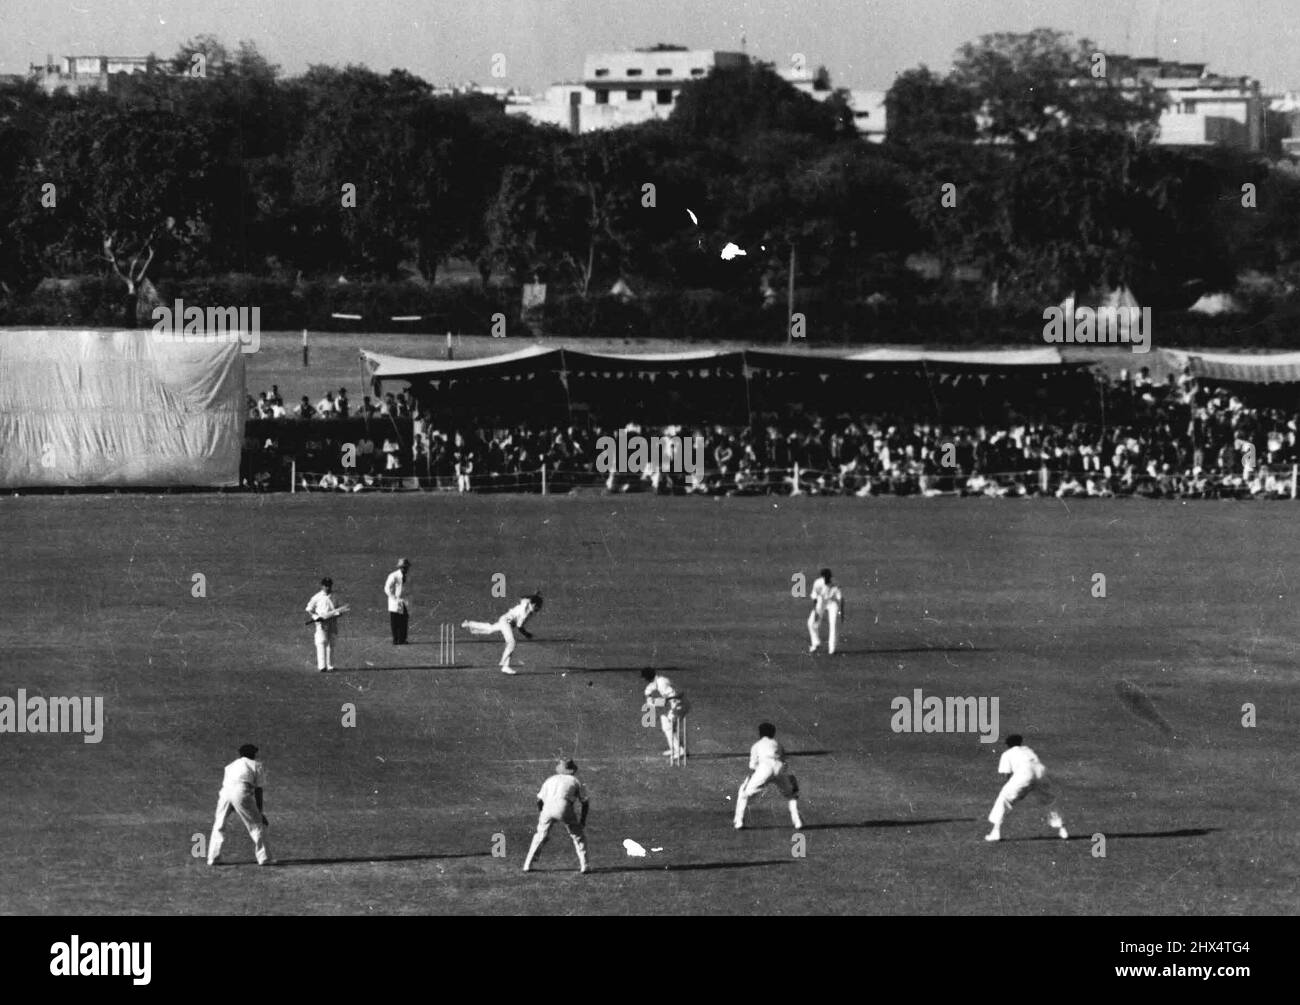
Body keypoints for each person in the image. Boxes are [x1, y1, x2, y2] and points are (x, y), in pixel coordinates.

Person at [985, 734, 1068, 842]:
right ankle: (1062, 830)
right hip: (1041, 773)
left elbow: (1006, 775)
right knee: (1049, 801)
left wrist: (1016, 789)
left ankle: (995, 832)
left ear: (1008, 745)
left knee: (1003, 798)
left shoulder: (1007, 753)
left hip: (1024, 774)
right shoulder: (1028, 750)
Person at [207, 743, 272, 866]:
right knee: (257, 824)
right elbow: (258, 789)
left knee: (219, 824)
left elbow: (227, 784)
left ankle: (212, 858)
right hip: (241, 791)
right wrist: (260, 812)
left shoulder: (229, 766)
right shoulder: (256, 765)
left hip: (225, 793)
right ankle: (265, 858)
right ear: (253, 754)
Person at [522, 759, 589, 874]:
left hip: (548, 807)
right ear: (572, 770)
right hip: (564, 807)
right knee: (578, 836)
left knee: (540, 836)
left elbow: (539, 800)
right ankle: (584, 866)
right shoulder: (575, 780)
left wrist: (542, 814)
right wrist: (582, 820)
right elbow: (585, 802)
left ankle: (527, 864)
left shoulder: (550, 780)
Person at [734, 722, 803, 830]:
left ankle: (739, 822)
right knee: (791, 795)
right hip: (779, 768)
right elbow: (784, 761)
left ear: (760, 733)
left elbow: (752, 766)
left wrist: (754, 777)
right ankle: (798, 821)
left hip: (764, 769)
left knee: (744, 794)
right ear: (773, 733)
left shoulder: (756, 745)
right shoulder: (777, 744)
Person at [460, 594, 541, 674]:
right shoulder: (525, 613)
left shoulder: (526, 602)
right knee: (511, 643)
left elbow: (522, 597)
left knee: (490, 629)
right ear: (533, 604)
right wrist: (527, 634)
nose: (539, 609)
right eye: (538, 606)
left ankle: (468, 624)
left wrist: (534, 596)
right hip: (506, 622)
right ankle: (505, 666)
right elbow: (519, 627)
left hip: (504, 619)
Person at [641, 668, 689, 760]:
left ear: (647, 677)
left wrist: (656, 702)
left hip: (680, 705)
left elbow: (674, 696)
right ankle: (675, 749)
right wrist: (649, 697)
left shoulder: (661, 683)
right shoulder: (658, 681)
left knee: (668, 727)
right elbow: (648, 690)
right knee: (666, 725)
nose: (644, 680)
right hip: (676, 704)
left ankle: (680, 751)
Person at [305, 577, 344, 671]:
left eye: (329, 585)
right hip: (321, 623)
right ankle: (322, 666)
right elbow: (309, 609)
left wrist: (337, 614)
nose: (327, 587)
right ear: (322, 586)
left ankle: (330, 665)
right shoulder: (316, 597)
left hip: (332, 622)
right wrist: (316, 617)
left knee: (332, 643)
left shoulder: (335, 596)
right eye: (325, 585)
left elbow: (341, 609)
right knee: (321, 642)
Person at [807, 568, 844, 655]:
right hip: (821, 602)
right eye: (826, 577)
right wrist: (815, 610)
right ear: (822, 577)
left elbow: (841, 599)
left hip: (832, 603)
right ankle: (816, 643)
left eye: (829, 577)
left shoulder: (835, 584)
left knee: (833, 624)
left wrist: (841, 612)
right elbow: (815, 597)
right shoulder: (818, 583)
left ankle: (832, 648)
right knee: (811, 623)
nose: (827, 579)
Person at [384, 558, 412, 644]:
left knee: (404, 620)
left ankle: (402, 639)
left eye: (406, 567)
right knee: (395, 621)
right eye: (404, 567)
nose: (405, 569)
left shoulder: (407, 576)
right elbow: (387, 588)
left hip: (404, 601)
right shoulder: (393, 575)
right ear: (400, 567)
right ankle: (395, 639)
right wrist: (394, 597)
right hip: (395, 602)